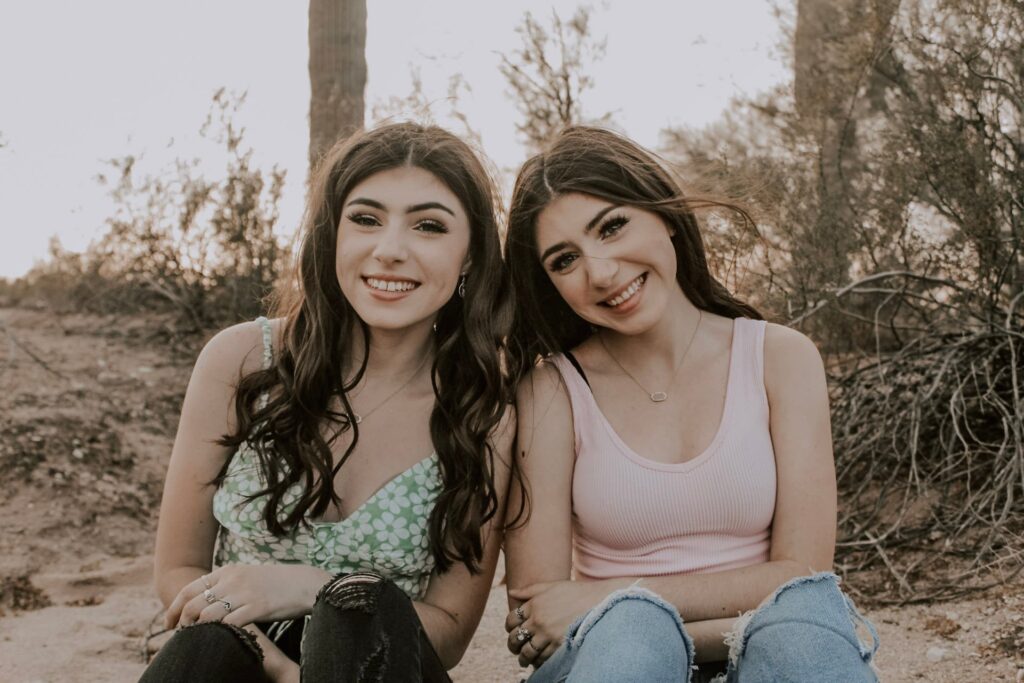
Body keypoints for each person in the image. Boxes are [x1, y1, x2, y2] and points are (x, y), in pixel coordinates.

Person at [141, 123, 515, 683]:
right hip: (241, 655)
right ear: (331, 235)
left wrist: (307, 590)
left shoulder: (484, 409)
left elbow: (450, 631)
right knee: (204, 648)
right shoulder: (243, 359)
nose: (389, 251)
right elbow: (178, 568)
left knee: (355, 611)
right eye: (365, 218)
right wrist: (271, 662)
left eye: (429, 226)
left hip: (383, 670)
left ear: (469, 257)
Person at [501, 126, 879, 682]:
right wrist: (644, 626)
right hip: (616, 664)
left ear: (665, 217)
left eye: (612, 226)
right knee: (633, 636)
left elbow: (802, 577)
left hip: (777, 650)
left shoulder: (779, 358)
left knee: (797, 635)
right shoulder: (553, 391)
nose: (601, 273)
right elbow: (538, 617)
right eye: (564, 260)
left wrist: (619, 601)